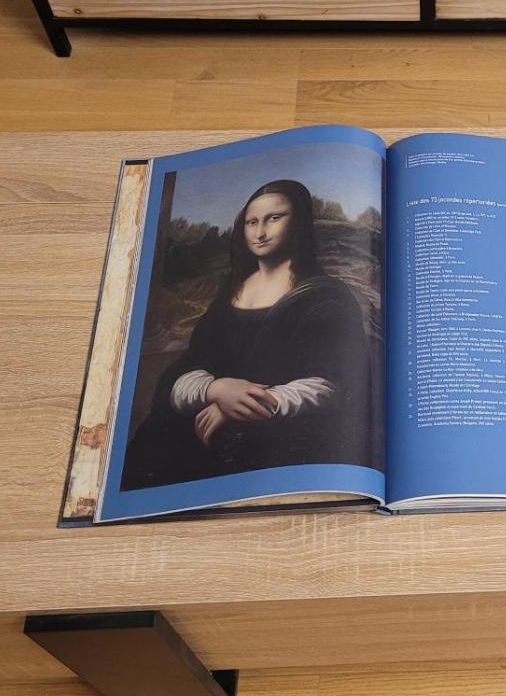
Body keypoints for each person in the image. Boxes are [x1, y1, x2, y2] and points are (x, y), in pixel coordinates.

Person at [120, 179, 373, 490]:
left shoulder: (326, 296)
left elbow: (332, 384)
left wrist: (242, 406)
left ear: (299, 223)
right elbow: (193, 361)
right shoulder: (231, 291)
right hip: (200, 423)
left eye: (274, 218)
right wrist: (215, 389)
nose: (260, 232)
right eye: (252, 222)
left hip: (278, 435)